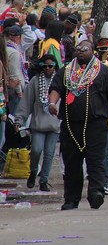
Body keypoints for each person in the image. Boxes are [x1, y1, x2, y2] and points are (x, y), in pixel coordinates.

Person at [48, 39, 108, 210]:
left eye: (85, 49)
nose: (81, 51)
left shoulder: (104, 71)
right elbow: (56, 89)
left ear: (93, 52)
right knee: (71, 163)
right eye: (78, 49)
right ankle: (71, 199)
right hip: (71, 124)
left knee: (96, 161)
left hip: (96, 124)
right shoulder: (66, 71)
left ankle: (96, 193)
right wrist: (52, 103)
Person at [13, 53, 60, 191]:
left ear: (55, 66)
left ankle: (44, 181)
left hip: (54, 124)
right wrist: (19, 120)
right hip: (39, 124)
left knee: (50, 153)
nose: (47, 69)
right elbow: (26, 102)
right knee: (36, 150)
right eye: (43, 66)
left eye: (50, 66)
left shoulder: (59, 81)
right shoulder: (35, 81)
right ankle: (33, 171)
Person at [4, 24, 26, 115]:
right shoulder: (14, 52)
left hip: (8, 88)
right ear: (20, 36)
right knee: (13, 117)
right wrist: (19, 91)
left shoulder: (6, 47)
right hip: (14, 91)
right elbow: (14, 74)